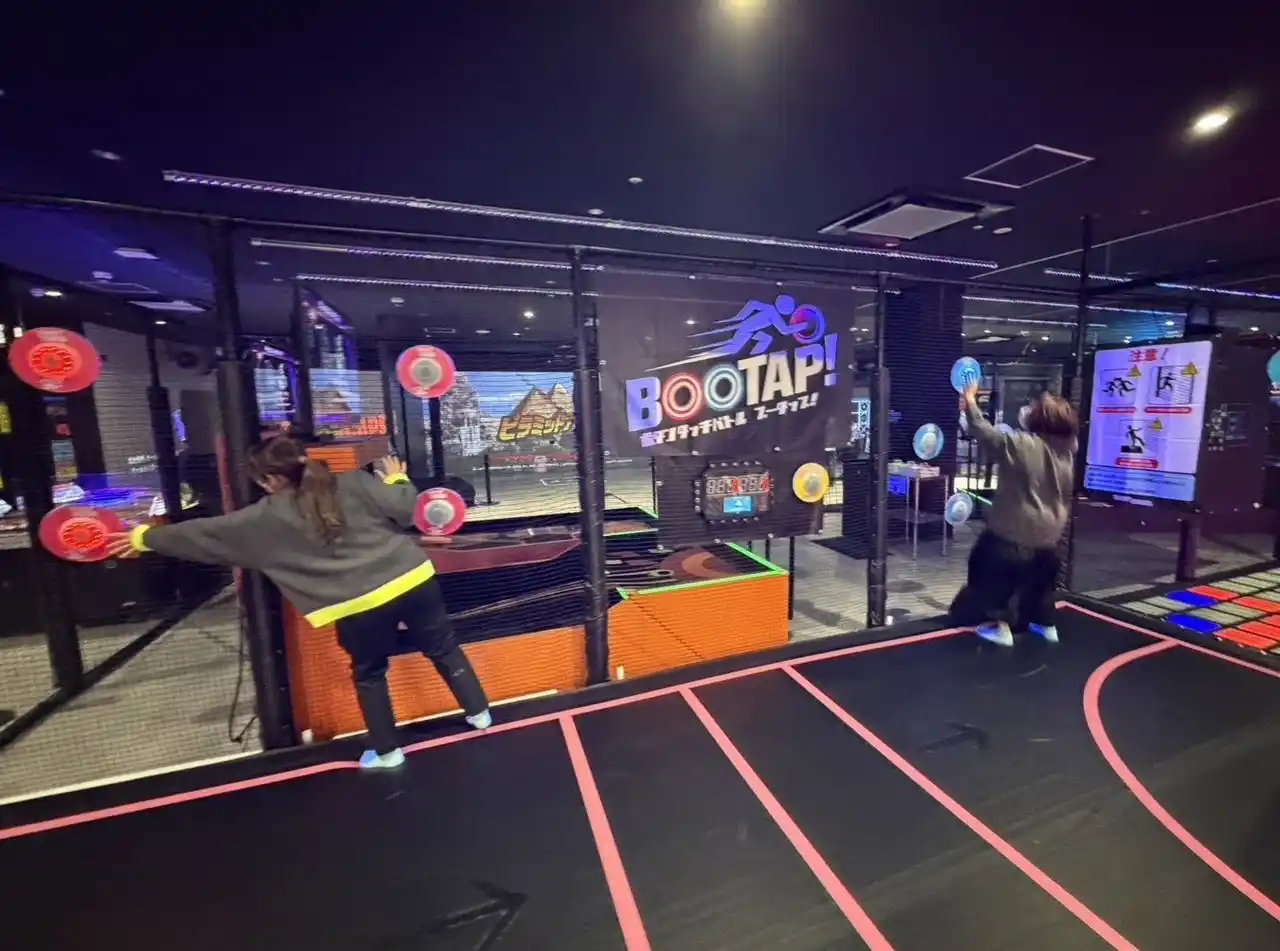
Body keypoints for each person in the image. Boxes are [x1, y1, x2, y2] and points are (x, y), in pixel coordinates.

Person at [106, 436, 491, 770]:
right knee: (444, 649)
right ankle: (481, 716)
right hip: (413, 580)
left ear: (269, 480)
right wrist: (397, 479)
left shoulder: (264, 517)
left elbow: (204, 534)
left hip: (357, 606)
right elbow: (406, 510)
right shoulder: (353, 482)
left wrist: (143, 539)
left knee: (370, 674)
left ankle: (389, 753)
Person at [949, 384, 1078, 647]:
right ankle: (1045, 624)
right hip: (1050, 538)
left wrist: (970, 399)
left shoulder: (1022, 445)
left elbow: (983, 431)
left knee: (984, 564)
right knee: (1040, 584)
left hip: (1014, 535)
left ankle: (999, 626)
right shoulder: (1068, 452)